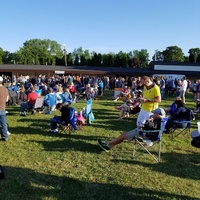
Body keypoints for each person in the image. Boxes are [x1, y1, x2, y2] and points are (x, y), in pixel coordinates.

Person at [97, 108, 166, 152]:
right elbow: (151, 128)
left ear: (157, 114)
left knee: (124, 135)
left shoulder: (157, 120)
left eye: (154, 113)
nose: (152, 114)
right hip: (148, 133)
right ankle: (110, 145)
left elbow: (149, 128)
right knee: (124, 134)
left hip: (146, 135)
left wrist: (149, 120)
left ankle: (108, 144)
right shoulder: (161, 120)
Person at [0, 76, 9, 141]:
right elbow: (7, 99)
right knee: (3, 124)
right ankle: (5, 136)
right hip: (3, 108)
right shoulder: (5, 89)